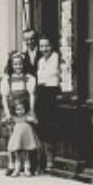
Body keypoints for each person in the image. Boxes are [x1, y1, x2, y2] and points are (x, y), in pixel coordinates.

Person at [0, 51, 39, 178]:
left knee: (26, 138)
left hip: (24, 110)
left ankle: (28, 166)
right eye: (15, 64)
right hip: (12, 111)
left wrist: (31, 110)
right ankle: (12, 164)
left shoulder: (28, 78)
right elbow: (4, 97)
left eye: (20, 64)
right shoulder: (8, 79)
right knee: (11, 139)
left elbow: (32, 95)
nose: (18, 67)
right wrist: (6, 112)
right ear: (11, 65)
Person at [31, 35, 64, 175]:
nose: (44, 49)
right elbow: (40, 79)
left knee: (50, 128)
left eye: (47, 46)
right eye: (42, 46)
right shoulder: (40, 61)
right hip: (42, 95)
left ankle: (51, 160)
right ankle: (42, 161)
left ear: (52, 46)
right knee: (41, 127)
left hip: (52, 95)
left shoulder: (57, 58)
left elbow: (56, 77)